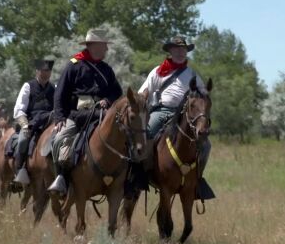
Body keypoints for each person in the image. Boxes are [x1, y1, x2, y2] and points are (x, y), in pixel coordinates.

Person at [138, 36, 214, 200]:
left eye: (183, 49)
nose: (180, 52)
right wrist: (142, 99)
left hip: (184, 116)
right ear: (170, 51)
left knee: (206, 145)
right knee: (145, 137)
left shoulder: (192, 74)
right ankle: (139, 176)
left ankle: (196, 180)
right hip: (161, 111)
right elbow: (143, 92)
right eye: (177, 49)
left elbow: (203, 94)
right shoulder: (158, 71)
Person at [48, 29, 122, 194]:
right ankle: (61, 178)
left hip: (102, 115)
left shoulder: (107, 69)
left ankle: (129, 182)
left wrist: (108, 100)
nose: (107, 50)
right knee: (60, 139)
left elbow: (117, 92)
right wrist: (60, 117)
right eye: (104, 46)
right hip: (77, 115)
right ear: (94, 46)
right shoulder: (73, 65)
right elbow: (60, 93)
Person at [12, 59, 55, 185]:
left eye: (48, 71)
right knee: (23, 140)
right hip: (31, 123)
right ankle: (19, 171)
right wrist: (25, 125)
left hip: (49, 122)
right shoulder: (28, 86)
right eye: (43, 70)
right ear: (37, 71)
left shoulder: (54, 88)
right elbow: (18, 110)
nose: (45, 73)